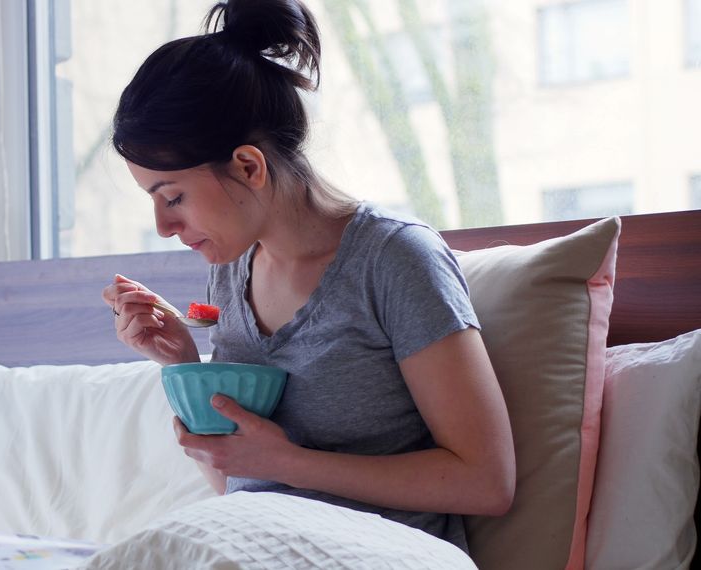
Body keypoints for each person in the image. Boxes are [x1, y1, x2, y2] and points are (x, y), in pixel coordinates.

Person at [100, 0, 514, 552]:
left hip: (378, 555)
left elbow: (487, 481)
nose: (162, 225)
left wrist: (291, 463)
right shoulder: (230, 276)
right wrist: (181, 366)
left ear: (249, 166)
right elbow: (242, 482)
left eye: (173, 196)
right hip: (257, 547)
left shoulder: (393, 258)